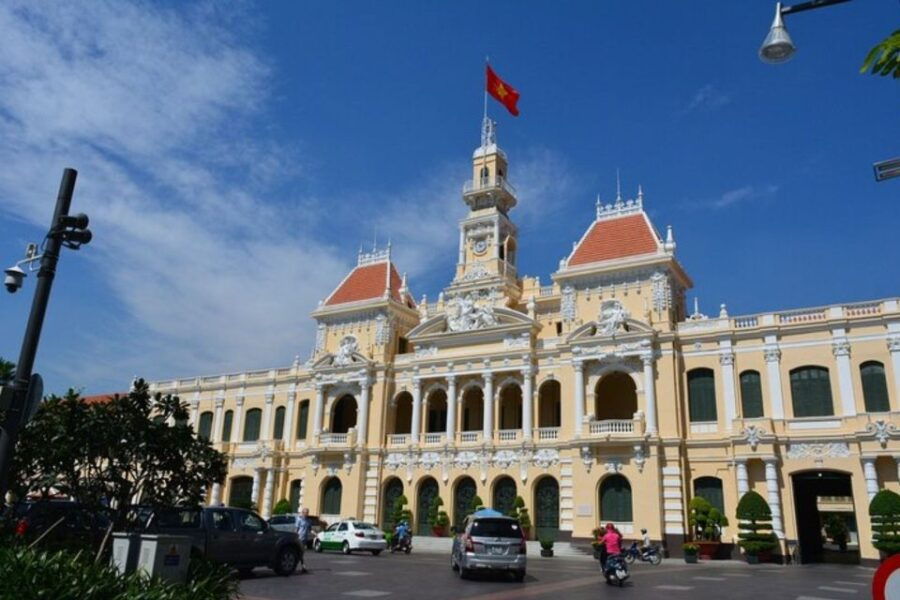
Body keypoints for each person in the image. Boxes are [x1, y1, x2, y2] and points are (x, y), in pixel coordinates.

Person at [295, 508, 311, 573]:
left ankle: (299, 566)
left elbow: (310, 529)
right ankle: (303, 566)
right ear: (302, 513)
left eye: (307, 512)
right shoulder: (299, 520)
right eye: (305, 512)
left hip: (305, 539)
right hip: (299, 538)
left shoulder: (309, 521)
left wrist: (315, 533)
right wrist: (295, 537)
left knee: (300, 553)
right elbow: (296, 529)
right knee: (301, 552)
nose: (306, 514)